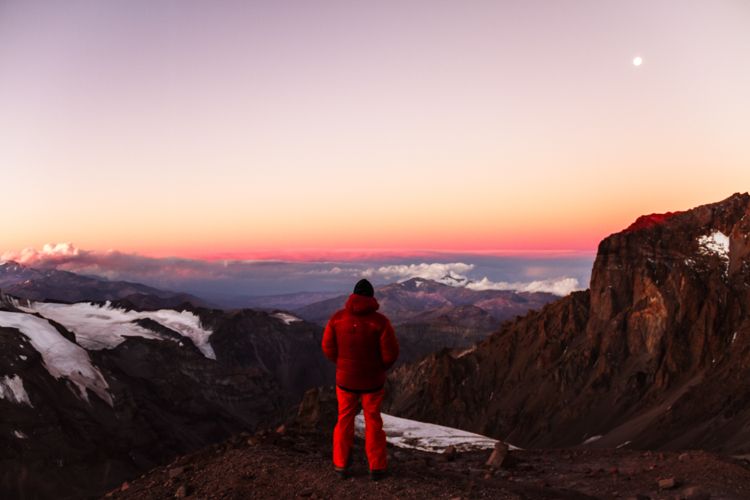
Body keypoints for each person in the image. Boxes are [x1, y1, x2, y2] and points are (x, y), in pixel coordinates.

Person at [322, 278, 399, 481]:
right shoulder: (381, 322)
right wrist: (378, 368)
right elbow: (391, 354)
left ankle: (340, 466)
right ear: (371, 297)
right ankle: (376, 468)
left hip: (345, 381)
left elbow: (327, 347)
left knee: (344, 419)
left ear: (353, 296)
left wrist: (343, 364)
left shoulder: (337, 318)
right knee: (373, 421)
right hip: (372, 383)